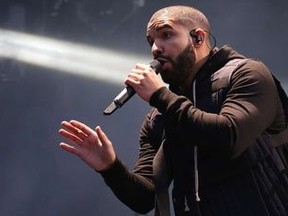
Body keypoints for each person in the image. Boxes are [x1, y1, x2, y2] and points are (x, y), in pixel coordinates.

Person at [58, 5, 288, 216]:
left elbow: (230, 137)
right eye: (151, 42)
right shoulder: (159, 118)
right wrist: (110, 167)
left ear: (198, 37)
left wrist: (160, 96)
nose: (156, 49)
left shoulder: (247, 74)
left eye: (166, 35)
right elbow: (145, 198)